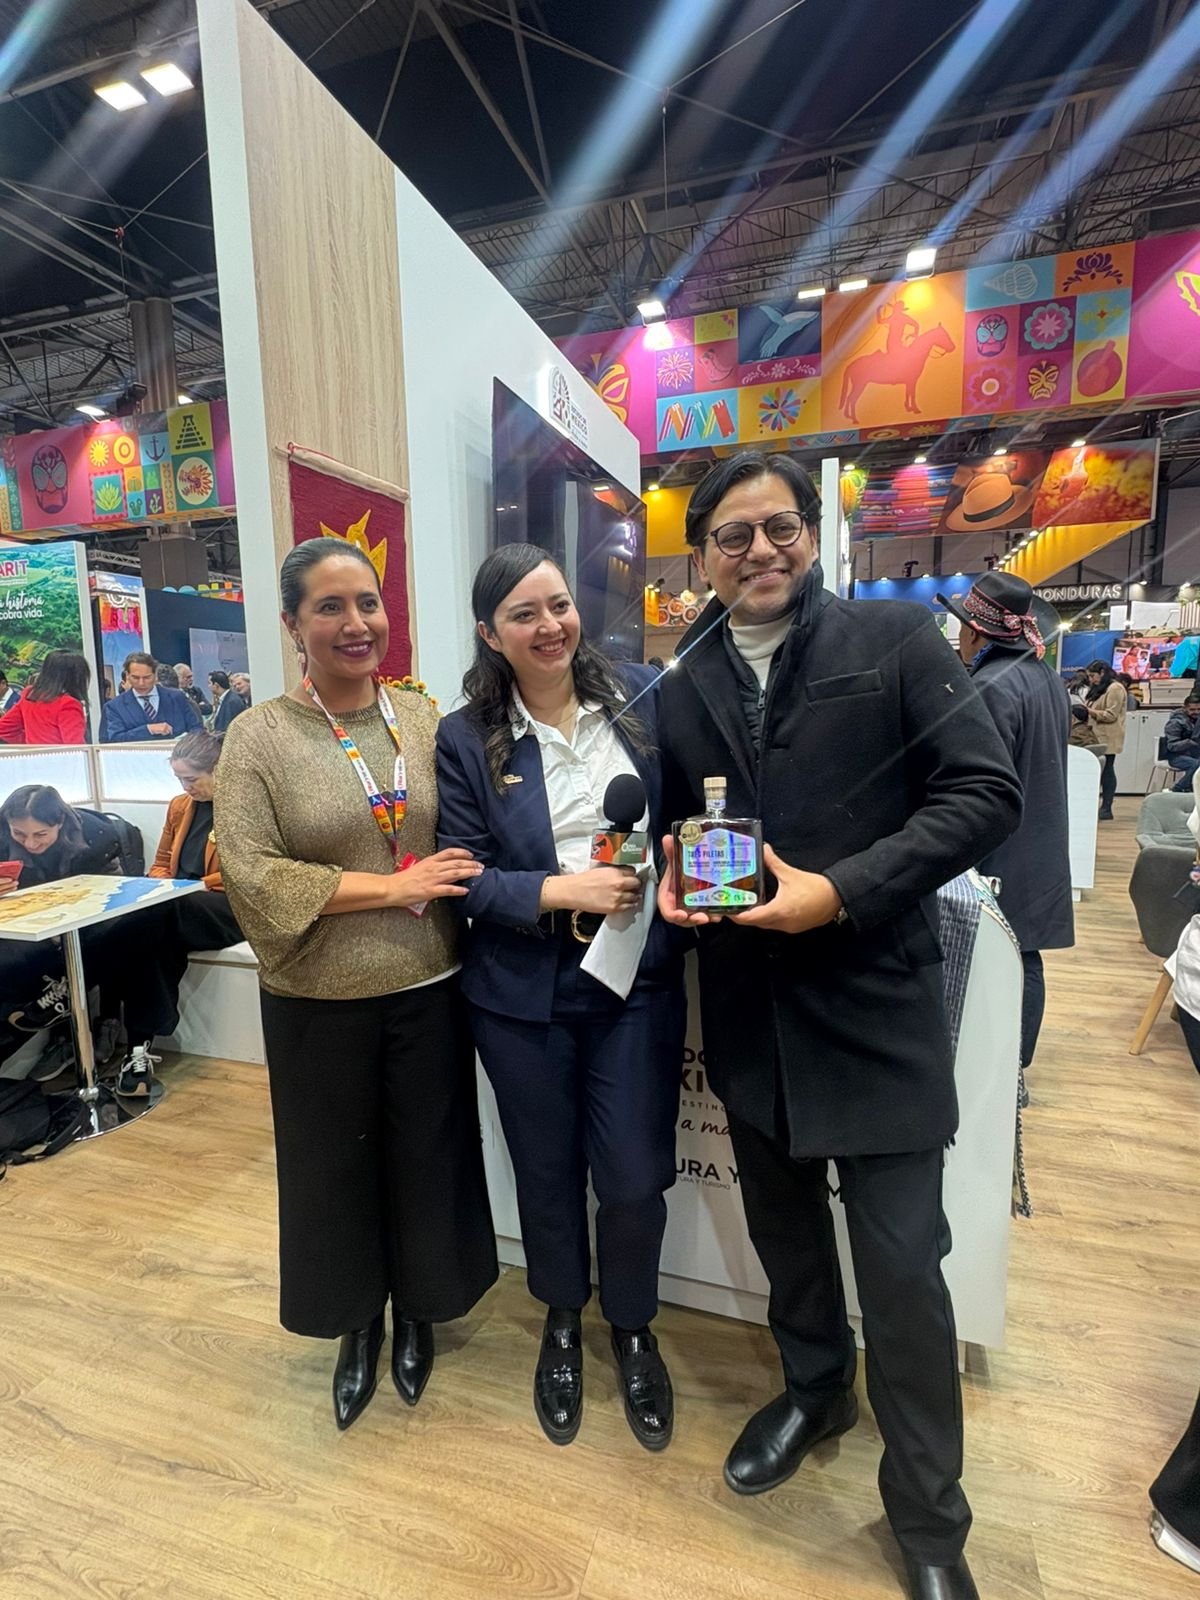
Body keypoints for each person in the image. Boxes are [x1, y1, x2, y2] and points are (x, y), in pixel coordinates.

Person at [655, 451, 1021, 1600]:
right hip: (751, 1013)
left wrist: (842, 889)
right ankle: (817, 1390)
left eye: (780, 527)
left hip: (874, 1009)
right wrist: (668, 871)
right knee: (787, 1239)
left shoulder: (894, 641)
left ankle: (931, 1523)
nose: (759, 550)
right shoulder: (685, 677)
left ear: (811, 534)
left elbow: (985, 793)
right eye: (732, 535)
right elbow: (674, 816)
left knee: (904, 1275)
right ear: (703, 557)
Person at [215, 536, 497, 1431]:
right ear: (293, 624)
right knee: (331, 1170)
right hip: (316, 999)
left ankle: (419, 1311)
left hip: (430, 984)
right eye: (329, 607)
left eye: (367, 603)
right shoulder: (259, 735)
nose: (355, 623)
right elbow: (251, 872)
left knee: (429, 1158)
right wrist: (393, 887)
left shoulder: (422, 718)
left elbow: (470, 830)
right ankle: (355, 1324)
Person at [436, 544, 686, 1452]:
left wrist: (692, 871)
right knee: (545, 1174)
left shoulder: (641, 698)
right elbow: (464, 876)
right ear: (490, 633)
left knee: (633, 1178)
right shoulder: (467, 737)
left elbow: (690, 813)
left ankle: (634, 1326)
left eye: (558, 606)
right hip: (521, 992)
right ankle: (562, 1320)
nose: (550, 627)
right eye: (524, 615)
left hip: (635, 981)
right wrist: (558, 891)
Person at [944, 571, 1073, 1081]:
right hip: (1039, 834)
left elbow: (980, 784)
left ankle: (1005, 1073)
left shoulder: (990, 686)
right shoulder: (1043, 677)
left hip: (1002, 847)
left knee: (1000, 958)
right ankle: (1016, 1065)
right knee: (1025, 953)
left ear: (976, 632)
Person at [0, 786, 122, 1052]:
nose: (30, 844)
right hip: (25, 924)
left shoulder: (96, 837)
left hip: (88, 918)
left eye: (41, 834)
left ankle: (71, 1013)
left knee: (122, 931)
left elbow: (112, 897)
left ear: (60, 822)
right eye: (19, 834)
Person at [102, 652, 202, 742]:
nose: (141, 683)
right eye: (135, 678)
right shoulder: (114, 707)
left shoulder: (177, 698)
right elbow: (111, 740)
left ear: (155, 675)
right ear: (127, 676)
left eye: (147, 677)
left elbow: (197, 730)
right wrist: (148, 730)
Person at [0, 649, 89, 745]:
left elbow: (3, 728)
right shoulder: (68, 704)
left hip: (35, 754)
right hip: (60, 755)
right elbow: (76, 747)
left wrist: (30, 742)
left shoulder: (30, 694)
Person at [1084, 659, 1126, 820]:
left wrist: (1089, 711)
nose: (1091, 680)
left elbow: (1111, 715)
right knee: (1100, 771)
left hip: (1107, 736)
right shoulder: (1101, 688)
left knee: (1107, 770)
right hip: (1095, 735)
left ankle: (1107, 807)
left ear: (1102, 673)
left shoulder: (1115, 688)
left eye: (1093, 676)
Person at [1164, 693, 1200, 793]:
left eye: (1199, 709)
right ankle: (1178, 789)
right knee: (1197, 764)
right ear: (1185, 709)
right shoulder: (1175, 722)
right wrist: (1190, 742)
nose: (1196, 712)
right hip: (1176, 756)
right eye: (1192, 709)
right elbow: (1172, 746)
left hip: (1195, 754)